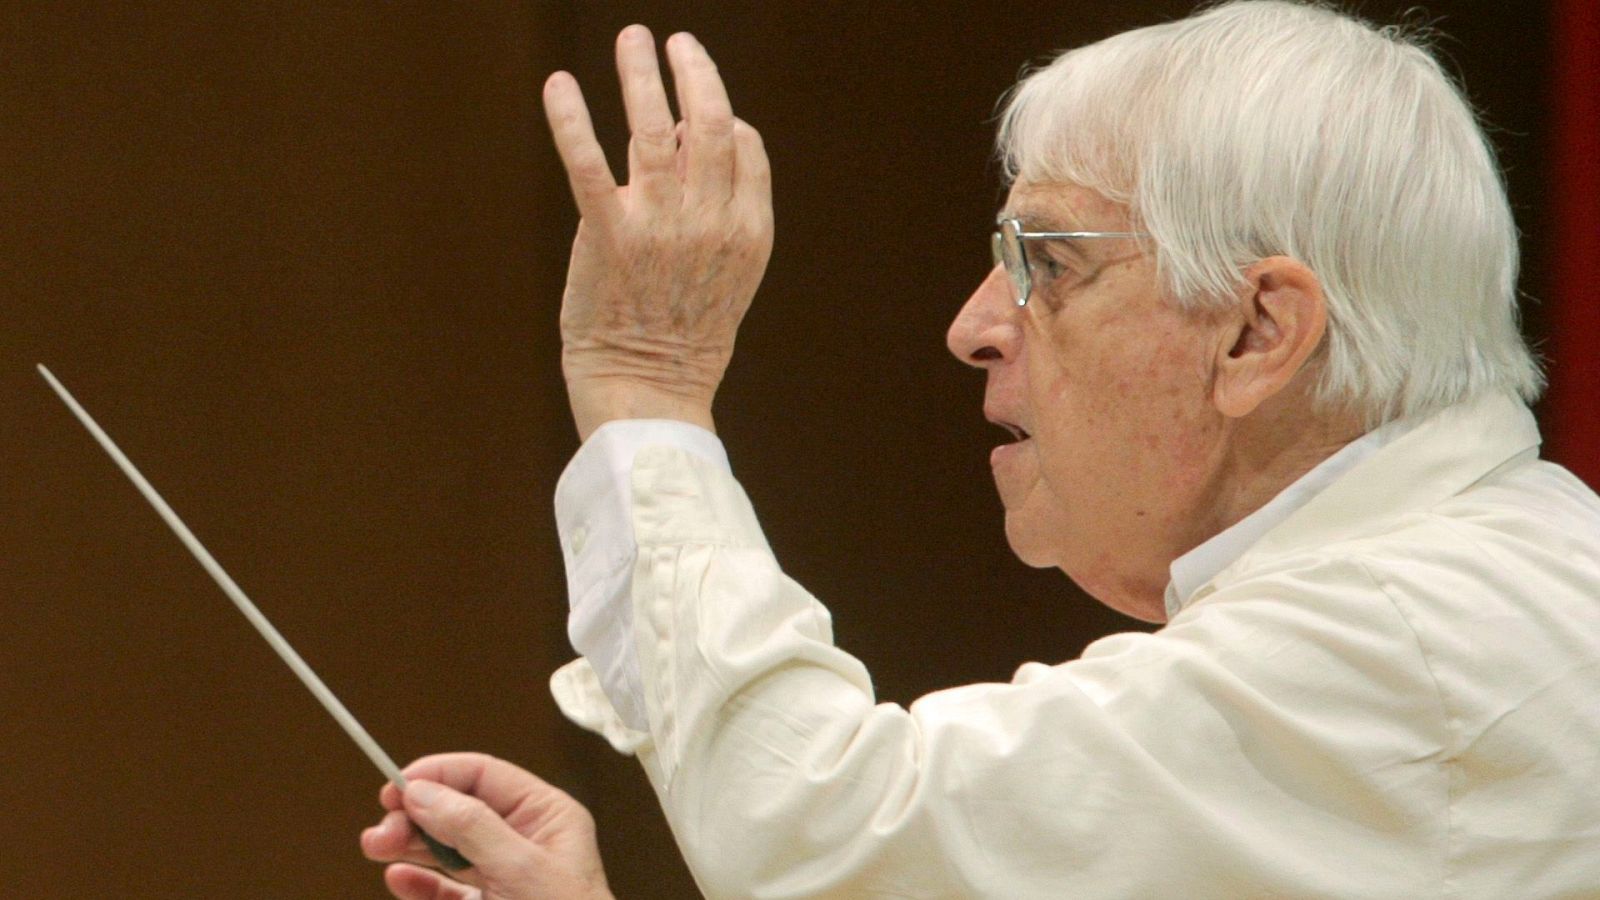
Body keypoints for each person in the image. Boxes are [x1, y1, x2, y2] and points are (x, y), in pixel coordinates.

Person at [362, 2, 1600, 897]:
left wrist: (646, 380)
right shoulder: (1489, 565)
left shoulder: (1407, 633)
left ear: (1256, 331)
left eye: (1042, 264)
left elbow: (817, 828)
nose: (971, 327)